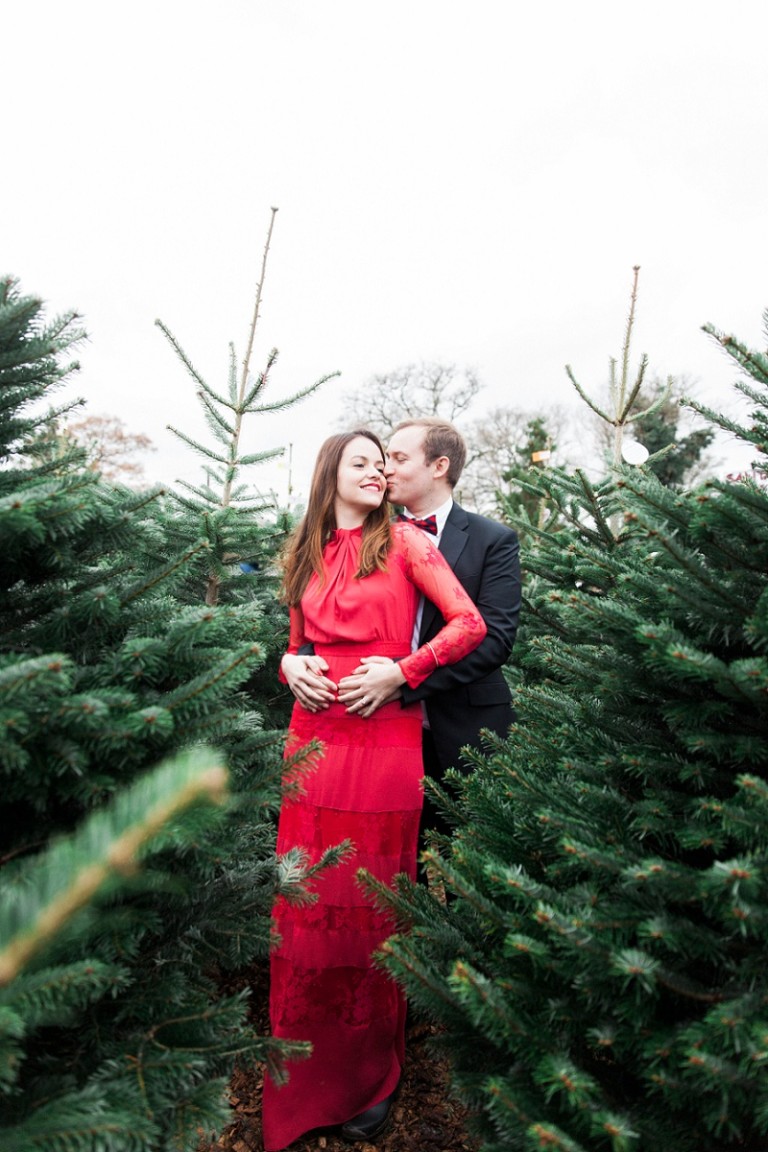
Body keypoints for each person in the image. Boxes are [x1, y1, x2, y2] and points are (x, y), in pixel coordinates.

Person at [262, 429, 486, 1150]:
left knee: (367, 899)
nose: (377, 472)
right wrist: (288, 667)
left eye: (382, 463)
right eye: (360, 463)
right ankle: (302, 1069)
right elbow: (296, 644)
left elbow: (468, 624)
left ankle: (365, 1077)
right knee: (307, 896)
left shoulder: (409, 545)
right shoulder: (304, 552)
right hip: (313, 741)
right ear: (331, 473)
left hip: (384, 739)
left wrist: (403, 670)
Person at [336, 417, 521, 841]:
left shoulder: (493, 539)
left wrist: (403, 677)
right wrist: (297, 657)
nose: (385, 470)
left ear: (439, 466)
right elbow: (327, 617)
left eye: (398, 459)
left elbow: (494, 640)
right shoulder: (364, 537)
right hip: (379, 723)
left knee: (473, 867)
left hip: (467, 727)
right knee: (391, 866)